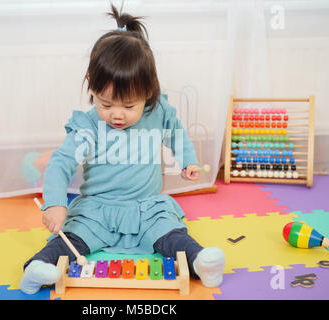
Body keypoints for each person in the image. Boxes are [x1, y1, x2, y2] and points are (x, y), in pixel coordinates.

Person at [20, 3, 225, 295]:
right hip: (97, 210)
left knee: (171, 234)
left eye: (129, 106)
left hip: (146, 208)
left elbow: (176, 134)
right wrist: (54, 202)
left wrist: (187, 160)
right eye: (106, 104)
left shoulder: (158, 111)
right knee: (70, 239)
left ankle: (201, 263)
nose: (117, 115)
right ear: (92, 87)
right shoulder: (87, 126)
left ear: (149, 92)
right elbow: (61, 162)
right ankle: (36, 269)